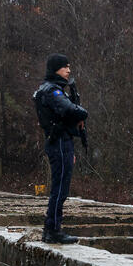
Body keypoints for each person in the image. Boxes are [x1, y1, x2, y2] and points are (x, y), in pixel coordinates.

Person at [33, 53, 88, 244]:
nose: (68, 70)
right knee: (60, 189)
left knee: (60, 188)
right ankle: (52, 229)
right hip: (58, 143)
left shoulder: (50, 89)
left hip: (61, 142)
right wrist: (82, 113)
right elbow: (69, 110)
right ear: (56, 69)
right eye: (65, 67)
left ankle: (53, 228)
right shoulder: (52, 91)